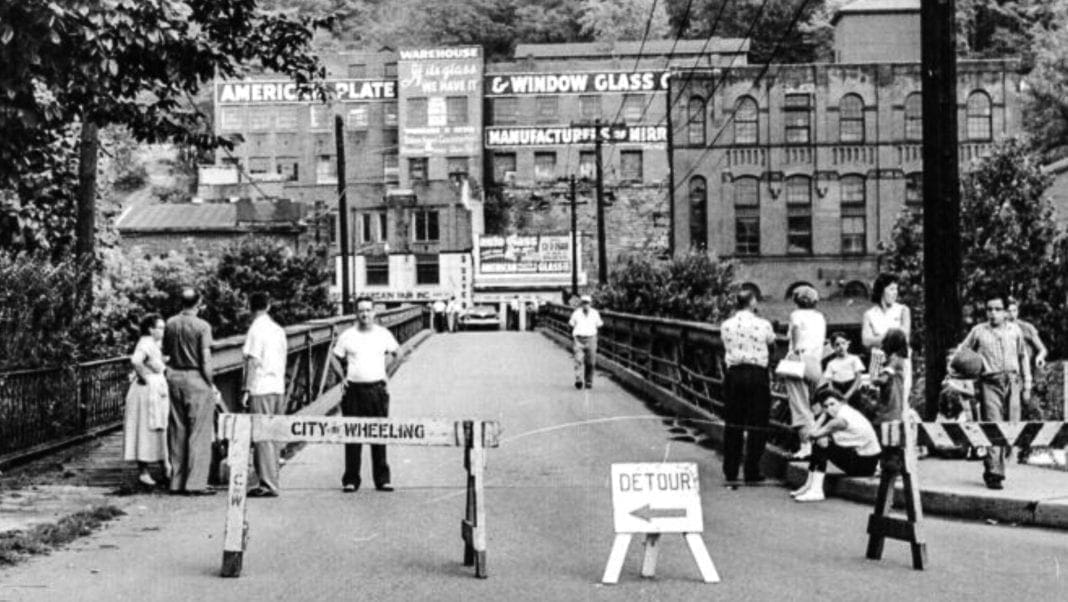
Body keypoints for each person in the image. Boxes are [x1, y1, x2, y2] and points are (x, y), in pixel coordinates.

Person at [954, 293, 1031, 490]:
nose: (993, 313)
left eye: (998, 309)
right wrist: (961, 371)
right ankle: (994, 473)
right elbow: (961, 353)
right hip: (990, 382)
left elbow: (1023, 357)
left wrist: (1027, 384)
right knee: (993, 424)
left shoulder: (1015, 331)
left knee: (1011, 426)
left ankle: (996, 465)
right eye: (989, 309)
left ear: (1006, 312)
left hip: (1013, 382)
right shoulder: (979, 331)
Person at [333, 296, 400, 492]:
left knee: (378, 434)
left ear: (374, 312)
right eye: (361, 311)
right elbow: (333, 357)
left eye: (368, 310)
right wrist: (342, 377)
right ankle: (351, 480)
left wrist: (387, 374)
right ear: (356, 313)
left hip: (376, 390)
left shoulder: (383, 334)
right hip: (354, 390)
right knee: (353, 435)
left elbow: (399, 353)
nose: (365, 314)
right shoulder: (347, 335)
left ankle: (382, 479)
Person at [163, 287, 217, 496]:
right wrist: (210, 382)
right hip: (196, 379)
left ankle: (176, 481)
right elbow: (205, 358)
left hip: (174, 376)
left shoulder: (170, 323)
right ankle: (195, 483)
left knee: (177, 430)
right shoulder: (203, 326)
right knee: (199, 432)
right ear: (199, 303)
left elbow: (166, 352)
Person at [719, 290, 778, 484]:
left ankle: (731, 470)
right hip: (757, 374)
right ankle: (752, 470)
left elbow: (725, 346)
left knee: (733, 423)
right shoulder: (763, 324)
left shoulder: (726, 325)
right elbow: (772, 344)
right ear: (752, 302)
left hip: (734, 374)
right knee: (758, 424)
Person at [792, 388, 881, 502]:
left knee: (821, 443)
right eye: (826, 406)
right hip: (865, 460)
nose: (830, 408)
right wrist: (825, 414)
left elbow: (811, 435)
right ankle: (809, 485)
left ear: (841, 402)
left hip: (864, 466)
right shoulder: (846, 411)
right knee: (821, 441)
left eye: (832, 404)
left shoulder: (839, 421)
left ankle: (816, 490)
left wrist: (823, 416)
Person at [241, 292, 288, 498]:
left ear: (249, 306)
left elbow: (252, 361)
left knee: (262, 436)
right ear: (268, 306)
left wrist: (246, 389)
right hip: (277, 386)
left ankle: (268, 484)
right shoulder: (278, 330)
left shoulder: (255, 330)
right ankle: (272, 479)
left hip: (261, 387)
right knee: (273, 435)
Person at [123, 314, 170, 488]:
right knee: (145, 427)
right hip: (147, 390)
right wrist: (145, 377)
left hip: (155, 388)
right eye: (160, 327)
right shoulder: (145, 343)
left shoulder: (153, 344)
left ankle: (163, 466)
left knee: (157, 427)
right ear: (150, 329)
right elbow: (136, 360)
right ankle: (144, 471)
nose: (162, 331)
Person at [784, 285, 826, 460]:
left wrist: (793, 352)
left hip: (799, 360)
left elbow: (794, 335)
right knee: (815, 405)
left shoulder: (796, 315)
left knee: (800, 405)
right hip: (815, 363)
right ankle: (821, 441)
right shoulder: (820, 317)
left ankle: (806, 445)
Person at [1008, 296, 1050, 463]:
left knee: (1024, 410)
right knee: (1012, 411)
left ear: (1018, 311)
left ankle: (1020, 451)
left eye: (1014, 310)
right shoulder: (1002, 329)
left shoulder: (1027, 328)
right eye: (1008, 311)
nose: (1011, 314)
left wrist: (1039, 358)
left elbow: (1043, 349)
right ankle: (1012, 451)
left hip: (1026, 375)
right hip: (1009, 374)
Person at [862, 273, 913, 400]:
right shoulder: (869, 314)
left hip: (899, 360)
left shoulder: (903, 310)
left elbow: (903, 335)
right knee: (879, 398)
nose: (895, 293)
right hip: (878, 360)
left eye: (896, 289)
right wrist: (888, 335)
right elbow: (866, 340)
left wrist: (879, 338)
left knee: (901, 397)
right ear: (881, 290)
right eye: (891, 289)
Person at [568, 294, 603, 389]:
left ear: (590, 304)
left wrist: (596, 337)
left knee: (590, 362)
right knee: (578, 360)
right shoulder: (576, 313)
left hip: (591, 338)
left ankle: (588, 381)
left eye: (587, 303)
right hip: (579, 339)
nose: (585, 305)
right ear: (581, 304)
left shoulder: (595, 313)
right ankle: (578, 379)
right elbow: (571, 324)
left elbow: (599, 325)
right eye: (583, 303)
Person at [823, 331, 866, 400]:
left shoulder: (854, 359)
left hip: (852, 389)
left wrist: (849, 393)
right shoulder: (831, 364)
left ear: (848, 344)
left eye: (843, 343)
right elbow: (829, 383)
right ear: (833, 347)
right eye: (837, 344)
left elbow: (858, 379)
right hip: (838, 390)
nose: (841, 347)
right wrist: (835, 394)